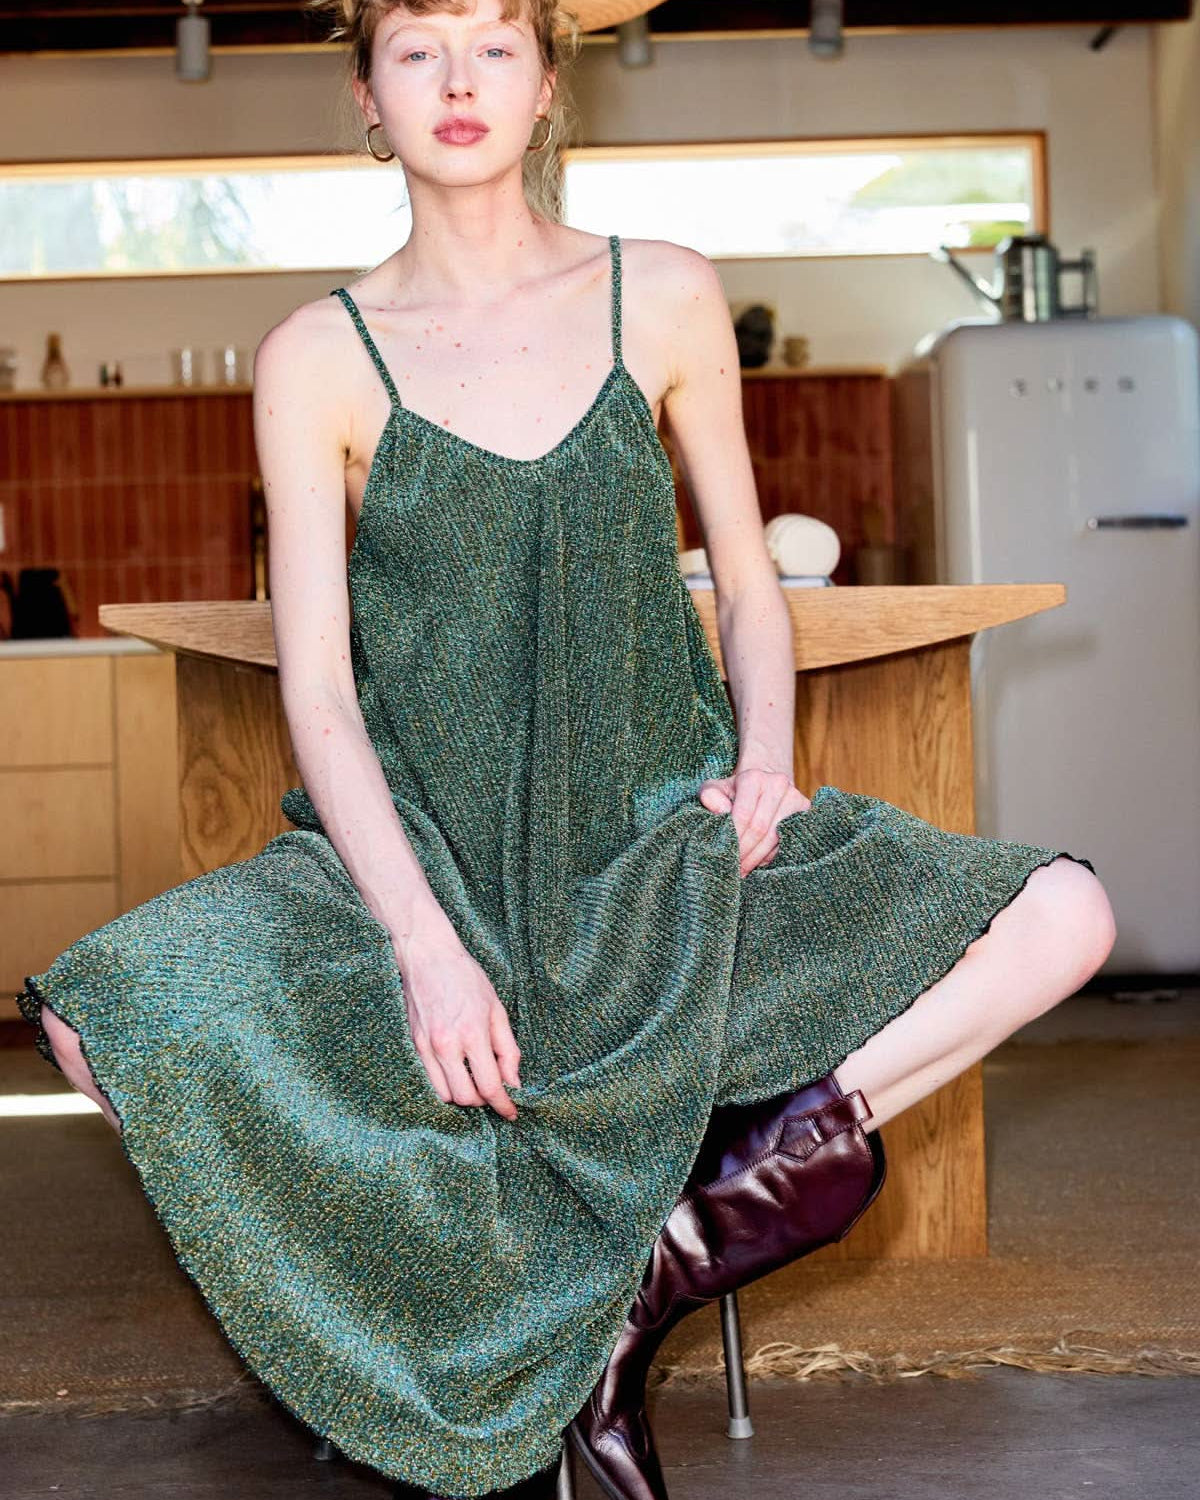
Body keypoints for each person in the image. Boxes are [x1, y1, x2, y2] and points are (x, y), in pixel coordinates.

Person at [19, 1, 1116, 1497]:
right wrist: (423, 947)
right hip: (425, 868)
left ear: (546, 86)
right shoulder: (315, 355)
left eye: (494, 45)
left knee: (1065, 915)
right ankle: (502, 1318)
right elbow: (319, 694)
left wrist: (767, 761)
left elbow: (749, 586)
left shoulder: (660, 293)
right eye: (417, 49)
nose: (458, 80)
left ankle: (664, 1256)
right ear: (367, 96)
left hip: (659, 851)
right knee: (101, 1017)